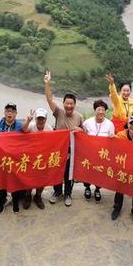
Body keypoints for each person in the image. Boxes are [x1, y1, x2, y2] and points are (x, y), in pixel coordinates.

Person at [44, 70, 83, 207]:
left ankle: (68, 194)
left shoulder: (79, 117)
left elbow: (83, 134)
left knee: (69, 173)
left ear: (75, 104)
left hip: (71, 151)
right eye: (67, 103)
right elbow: (49, 99)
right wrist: (48, 84)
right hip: (58, 149)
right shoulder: (59, 112)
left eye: (71, 104)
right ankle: (57, 192)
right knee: (56, 171)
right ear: (64, 103)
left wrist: (80, 130)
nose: (69, 106)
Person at [81, 100, 115, 203]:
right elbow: (83, 136)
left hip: (102, 155)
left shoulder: (110, 124)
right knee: (88, 171)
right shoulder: (87, 122)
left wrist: (113, 137)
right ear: (95, 110)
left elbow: (112, 139)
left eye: (103, 110)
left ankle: (97, 189)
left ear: (105, 112)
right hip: (89, 154)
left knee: (100, 172)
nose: (100, 112)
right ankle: (87, 188)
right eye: (98, 109)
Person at [0, 103, 24, 213]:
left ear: (15, 114)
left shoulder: (19, 126)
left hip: (15, 160)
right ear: (4, 113)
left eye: (12, 111)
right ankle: (1, 202)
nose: (9, 113)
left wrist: (28, 121)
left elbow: (26, 132)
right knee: (2, 182)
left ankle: (15, 202)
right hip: (2, 160)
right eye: (7, 111)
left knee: (15, 182)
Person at [22, 108, 52, 210]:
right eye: (38, 118)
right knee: (29, 178)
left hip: (43, 158)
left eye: (42, 119)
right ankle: (27, 196)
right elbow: (24, 129)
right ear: (36, 118)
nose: (40, 121)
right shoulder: (31, 125)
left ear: (46, 119)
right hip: (31, 157)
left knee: (42, 179)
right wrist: (28, 120)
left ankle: (38, 196)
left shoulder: (49, 129)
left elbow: (54, 143)